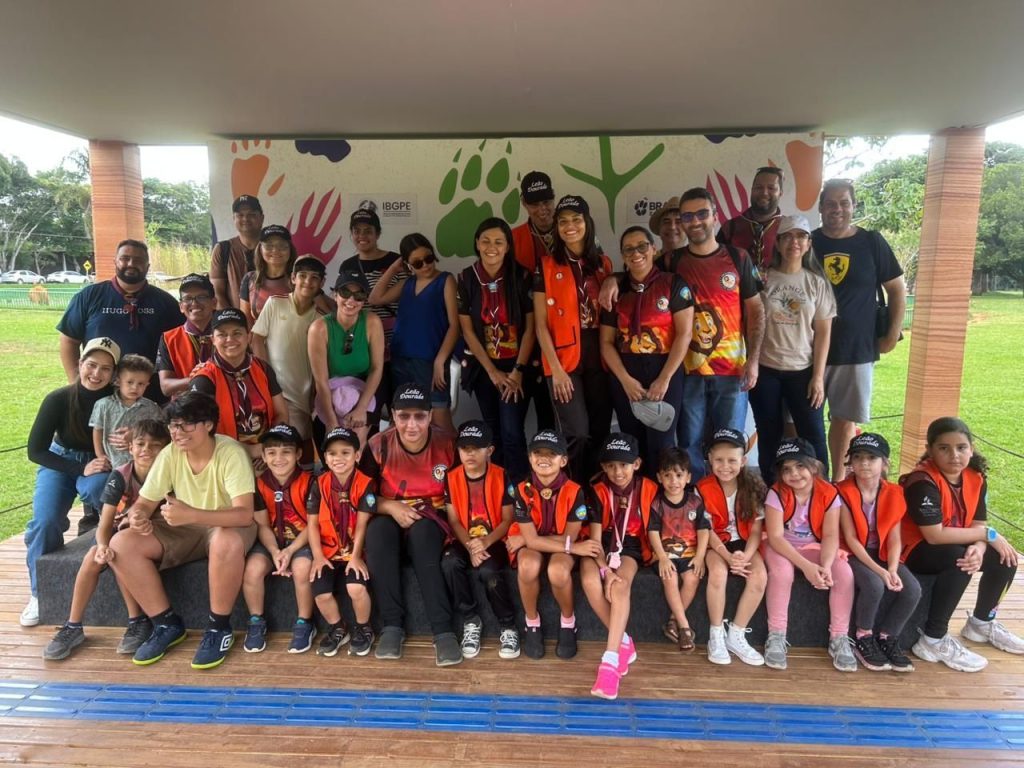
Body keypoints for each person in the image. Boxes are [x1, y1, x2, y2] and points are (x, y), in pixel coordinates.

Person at [107, 392, 258, 670]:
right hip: (185, 527)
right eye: (173, 425)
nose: (177, 432)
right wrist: (138, 516)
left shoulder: (231, 452)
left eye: (186, 424)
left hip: (228, 524)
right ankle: (166, 624)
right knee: (121, 544)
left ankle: (218, 628)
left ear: (208, 424)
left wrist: (192, 514)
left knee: (225, 540)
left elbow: (244, 514)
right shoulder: (170, 453)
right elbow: (145, 502)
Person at [42, 420, 170, 660]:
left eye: (155, 445)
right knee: (95, 556)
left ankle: (137, 621)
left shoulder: (169, 473)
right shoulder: (120, 475)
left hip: (148, 534)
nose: (146, 450)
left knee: (120, 552)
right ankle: (73, 625)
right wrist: (102, 545)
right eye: (140, 444)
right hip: (115, 531)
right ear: (130, 448)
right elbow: (104, 523)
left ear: (165, 450)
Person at [902, 417, 1022, 672]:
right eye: (944, 448)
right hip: (914, 549)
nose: (954, 455)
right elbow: (934, 535)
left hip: (955, 542)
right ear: (930, 450)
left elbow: (979, 523)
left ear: (971, 448)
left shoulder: (975, 477)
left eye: (961, 447)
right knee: (959, 560)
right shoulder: (922, 481)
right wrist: (986, 536)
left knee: (1005, 557)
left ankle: (981, 623)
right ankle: (933, 639)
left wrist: (979, 546)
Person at [21, 337, 119, 627]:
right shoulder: (58, 399)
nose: (96, 374)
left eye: (105, 368)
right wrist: (78, 468)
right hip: (60, 459)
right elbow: (35, 450)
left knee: (101, 491)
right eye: (91, 365)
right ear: (80, 363)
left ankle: (112, 558)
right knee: (45, 522)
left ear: (114, 374)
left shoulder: (119, 402)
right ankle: (40, 593)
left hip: (99, 461)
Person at [812, 179, 906, 478]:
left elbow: (897, 290)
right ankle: (807, 484)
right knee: (800, 420)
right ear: (820, 207)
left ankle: (838, 483)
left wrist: (891, 335)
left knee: (844, 420)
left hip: (856, 348)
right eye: (830, 203)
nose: (837, 209)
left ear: (854, 206)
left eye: (844, 203)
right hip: (807, 349)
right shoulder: (807, 243)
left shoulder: (871, 242)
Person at [360, 384, 460, 665]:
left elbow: (459, 495)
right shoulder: (378, 445)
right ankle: (392, 626)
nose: (412, 424)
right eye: (404, 416)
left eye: (419, 416)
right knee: (377, 533)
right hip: (390, 514)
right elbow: (363, 496)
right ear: (393, 415)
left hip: (432, 519)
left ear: (430, 416)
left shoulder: (447, 444)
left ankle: (443, 630)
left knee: (424, 535)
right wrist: (391, 506)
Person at [749, 215, 835, 484]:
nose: (794, 242)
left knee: (813, 435)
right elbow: (750, 321)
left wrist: (818, 377)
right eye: (787, 236)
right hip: (766, 370)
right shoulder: (763, 278)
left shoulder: (817, 283)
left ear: (808, 243)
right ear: (777, 243)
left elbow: (823, 333)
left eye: (800, 236)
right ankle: (773, 491)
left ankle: (822, 491)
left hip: (803, 371)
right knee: (769, 434)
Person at [533, 195, 614, 481]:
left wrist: (614, 278)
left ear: (587, 223)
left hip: (600, 355)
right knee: (577, 432)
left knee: (600, 429)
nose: (570, 226)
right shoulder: (545, 266)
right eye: (563, 221)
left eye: (576, 219)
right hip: (563, 361)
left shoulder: (603, 264)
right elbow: (540, 325)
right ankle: (574, 489)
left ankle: (596, 489)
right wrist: (555, 370)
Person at [600, 225, 693, 471]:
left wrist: (664, 379)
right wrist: (625, 380)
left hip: (665, 369)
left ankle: (660, 493)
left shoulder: (673, 283)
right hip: (625, 372)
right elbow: (606, 343)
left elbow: (684, 335)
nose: (636, 253)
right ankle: (638, 493)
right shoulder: (616, 291)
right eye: (628, 249)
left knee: (662, 444)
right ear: (622, 255)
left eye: (642, 246)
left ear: (653, 249)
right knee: (631, 443)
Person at [763, 438, 856, 672]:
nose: (794, 474)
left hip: (812, 547)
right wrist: (806, 567)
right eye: (786, 469)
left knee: (844, 573)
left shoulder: (829, 493)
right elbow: (775, 537)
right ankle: (776, 635)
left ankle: (839, 637)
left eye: (800, 466)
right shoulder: (776, 493)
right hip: (780, 547)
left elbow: (831, 535)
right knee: (782, 573)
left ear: (814, 466)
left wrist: (825, 565)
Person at [57, 239, 183, 405]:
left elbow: (180, 346)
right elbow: (69, 340)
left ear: (147, 266)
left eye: (138, 260)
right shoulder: (89, 297)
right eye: (125, 258)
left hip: (151, 393)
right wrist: (75, 381)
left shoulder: (166, 303)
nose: (131, 264)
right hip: (99, 388)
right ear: (115, 262)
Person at [457, 218, 536, 481]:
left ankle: (519, 488)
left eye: (499, 242)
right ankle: (499, 487)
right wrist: (491, 372)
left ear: (508, 246)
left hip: (516, 368)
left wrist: (518, 370)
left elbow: (531, 328)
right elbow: (467, 330)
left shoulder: (522, 276)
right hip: (484, 368)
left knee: (512, 431)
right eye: (486, 241)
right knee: (492, 431)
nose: (492, 247)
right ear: (477, 244)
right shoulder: (466, 278)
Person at [509, 429, 597, 661]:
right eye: (538, 452)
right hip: (554, 544)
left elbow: (569, 535)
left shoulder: (575, 491)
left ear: (563, 460)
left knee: (557, 570)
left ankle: (568, 621)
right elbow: (535, 541)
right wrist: (571, 547)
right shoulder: (521, 490)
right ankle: (532, 622)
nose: (544, 458)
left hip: (559, 543)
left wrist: (531, 539)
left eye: (552, 453)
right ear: (530, 458)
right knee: (527, 565)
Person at [837, 433, 921, 672]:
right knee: (874, 585)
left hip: (882, 551)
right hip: (852, 552)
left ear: (885, 463)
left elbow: (894, 536)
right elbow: (851, 539)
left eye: (872, 458)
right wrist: (880, 572)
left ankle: (888, 636)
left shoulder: (895, 492)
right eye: (858, 457)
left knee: (912, 589)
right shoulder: (842, 492)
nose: (864, 463)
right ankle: (863, 636)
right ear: (850, 462)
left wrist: (892, 568)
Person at [583, 434, 657, 700]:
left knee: (620, 585)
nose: (617, 472)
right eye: (611, 465)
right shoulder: (596, 489)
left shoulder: (649, 488)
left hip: (631, 546)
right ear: (603, 466)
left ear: (636, 464)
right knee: (589, 579)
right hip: (600, 545)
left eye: (624, 465)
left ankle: (610, 660)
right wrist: (605, 570)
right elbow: (594, 540)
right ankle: (624, 640)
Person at [441, 421, 520, 660]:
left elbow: (507, 520)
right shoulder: (451, 477)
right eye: (464, 448)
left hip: (495, 539)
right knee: (449, 562)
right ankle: (470, 619)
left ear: (490, 450)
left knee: (488, 571)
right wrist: (471, 546)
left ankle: (508, 625)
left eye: (477, 448)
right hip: (465, 538)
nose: (470, 454)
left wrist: (485, 543)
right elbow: (454, 521)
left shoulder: (501, 475)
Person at [369, 234, 459, 433]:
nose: (425, 265)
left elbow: (455, 325)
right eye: (417, 263)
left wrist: (440, 360)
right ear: (408, 265)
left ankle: (457, 455)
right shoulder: (407, 283)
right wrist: (393, 269)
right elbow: (375, 298)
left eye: (428, 258)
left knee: (441, 423)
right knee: (402, 421)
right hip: (400, 361)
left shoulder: (445, 280)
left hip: (431, 361)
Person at [241, 424, 317, 655]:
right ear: (263, 456)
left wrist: (290, 550)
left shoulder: (311, 482)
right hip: (271, 542)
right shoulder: (258, 484)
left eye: (286, 452)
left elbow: (313, 525)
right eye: (272, 452)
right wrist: (275, 551)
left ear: (298, 454)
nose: (279, 458)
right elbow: (262, 525)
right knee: (252, 570)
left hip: (302, 541)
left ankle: (304, 622)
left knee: (302, 569)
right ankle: (256, 621)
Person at [697, 428, 768, 666]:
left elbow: (756, 530)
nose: (725, 466)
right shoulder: (702, 488)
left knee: (759, 576)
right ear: (709, 459)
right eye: (719, 460)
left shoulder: (753, 487)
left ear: (743, 461)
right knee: (718, 573)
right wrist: (727, 557)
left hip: (745, 543)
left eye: (732, 460)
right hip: (715, 544)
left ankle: (736, 634)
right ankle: (716, 634)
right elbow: (706, 530)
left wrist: (745, 556)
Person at [307, 427, 377, 657]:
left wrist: (356, 557)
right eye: (332, 453)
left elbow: (363, 524)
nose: (338, 458)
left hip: (356, 550)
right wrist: (317, 557)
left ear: (357, 455)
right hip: (328, 551)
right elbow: (312, 524)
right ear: (325, 458)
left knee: (355, 588)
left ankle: (364, 628)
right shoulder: (319, 484)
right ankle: (338, 628)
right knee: (320, 593)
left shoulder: (365, 483)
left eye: (345, 452)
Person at [190, 308, 290, 466]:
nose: (230, 339)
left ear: (248, 337)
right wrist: (250, 451)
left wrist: (269, 446)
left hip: (266, 455)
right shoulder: (204, 379)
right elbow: (200, 433)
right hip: (224, 460)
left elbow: (282, 413)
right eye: (222, 334)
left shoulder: (262, 368)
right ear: (213, 339)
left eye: (237, 333)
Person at [252, 255, 328, 450]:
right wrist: (265, 378)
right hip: (272, 390)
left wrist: (314, 394)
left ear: (322, 283)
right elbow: (257, 338)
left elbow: (319, 363)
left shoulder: (321, 319)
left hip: (301, 395)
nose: (308, 282)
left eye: (314, 277)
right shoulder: (275, 303)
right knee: (272, 443)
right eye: (303, 276)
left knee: (300, 442)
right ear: (293, 278)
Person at [307, 268, 385, 448]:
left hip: (365, 392)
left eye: (359, 296)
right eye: (345, 292)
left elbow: (376, 368)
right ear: (335, 295)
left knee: (358, 445)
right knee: (333, 446)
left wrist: (361, 408)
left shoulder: (372, 322)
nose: (351, 300)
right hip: (331, 396)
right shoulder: (319, 328)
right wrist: (331, 421)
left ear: (364, 300)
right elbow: (321, 380)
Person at [647, 448, 710, 653]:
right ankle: (684, 627)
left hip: (690, 553)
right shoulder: (657, 504)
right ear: (659, 477)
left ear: (688, 477)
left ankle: (673, 621)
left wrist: (700, 556)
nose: (673, 481)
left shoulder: (695, 502)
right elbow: (653, 532)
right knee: (670, 577)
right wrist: (662, 558)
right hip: (664, 555)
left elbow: (703, 530)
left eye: (679, 475)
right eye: (667, 475)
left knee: (692, 578)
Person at [90, 354, 164, 469]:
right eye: (130, 382)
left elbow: (160, 432)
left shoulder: (152, 408)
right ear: (118, 381)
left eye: (141, 384)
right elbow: (98, 430)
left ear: (147, 384)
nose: (135, 387)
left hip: (143, 466)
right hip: (112, 464)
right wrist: (100, 455)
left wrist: (137, 434)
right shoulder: (103, 405)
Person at [156, 273, 216, 400]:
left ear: (214, 302)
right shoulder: (169, 338)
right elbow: (165, 387)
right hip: (185, 408)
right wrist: (200, 380)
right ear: (181, 306)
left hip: (225, 404)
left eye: (201, 297)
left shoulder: (228, 335)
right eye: (188, 298)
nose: (194, 303)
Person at [718, 166, 785, 271]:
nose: (764, 193)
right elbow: (716, 266)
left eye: (771, 188)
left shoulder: (788, 228)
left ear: (780, 193)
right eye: (758, 187)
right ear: (752, 190)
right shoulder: (730, 228)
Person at [210, 194, 263, 310]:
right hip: (234, 318)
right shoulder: (222, 249)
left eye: (251, 214)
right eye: (240, 215)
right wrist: (233, 319)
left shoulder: (274, 249)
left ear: (262, 218)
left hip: (272, 319)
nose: (245, 219)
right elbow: (217, 293)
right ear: (234, 219)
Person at [239, 225, 297, 327]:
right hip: (258, 336)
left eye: (282, 245)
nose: (275, 250)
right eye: (269, 246)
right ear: (260, 249)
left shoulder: (300, 279)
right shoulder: (250, 279)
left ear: (290, 249)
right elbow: (246, 321)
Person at [511, 170, 556, 272]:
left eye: (546, 202)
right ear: (524, 203)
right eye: (534, 204)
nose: (542, 209)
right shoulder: (513, 238)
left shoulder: (573, 231)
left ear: (553, 197)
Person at [648, 196, 684, 272]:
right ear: (659, 227)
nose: (672, 227)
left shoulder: (696, 261)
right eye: (666, 222)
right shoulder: (648, 262)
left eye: (678, 221)